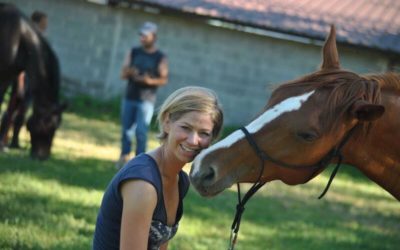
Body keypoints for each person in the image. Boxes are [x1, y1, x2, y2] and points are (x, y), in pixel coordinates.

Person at [93, 86, 224, 250]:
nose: (193, 140)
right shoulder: (143, 184)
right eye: (186, 128)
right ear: (167, 122)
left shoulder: (180, 180)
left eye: (204, 133)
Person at [117, 21, 169, 169]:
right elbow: (122, 74)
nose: (142, 38)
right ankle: (123, 158)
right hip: (130, 97)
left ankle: (140, 161)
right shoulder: (133, 51)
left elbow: (164, 79)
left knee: (141, 132)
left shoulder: (160, 57)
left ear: (154, 37)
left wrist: (149, 80)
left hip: (146, 100)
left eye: (145, 36)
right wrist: (130, 72)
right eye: (141, 35)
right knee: (126, 131)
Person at [0, 11, 48, 151]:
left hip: (28, 83)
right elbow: (20, 67)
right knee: (11, 111)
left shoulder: (36, 40)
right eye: (44, 23)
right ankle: (3, 138)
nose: (45, 26)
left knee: (21, 112)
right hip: (21, 81)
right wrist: (20, 84)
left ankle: (13, 139)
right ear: (35, 23)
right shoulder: (25, 38)